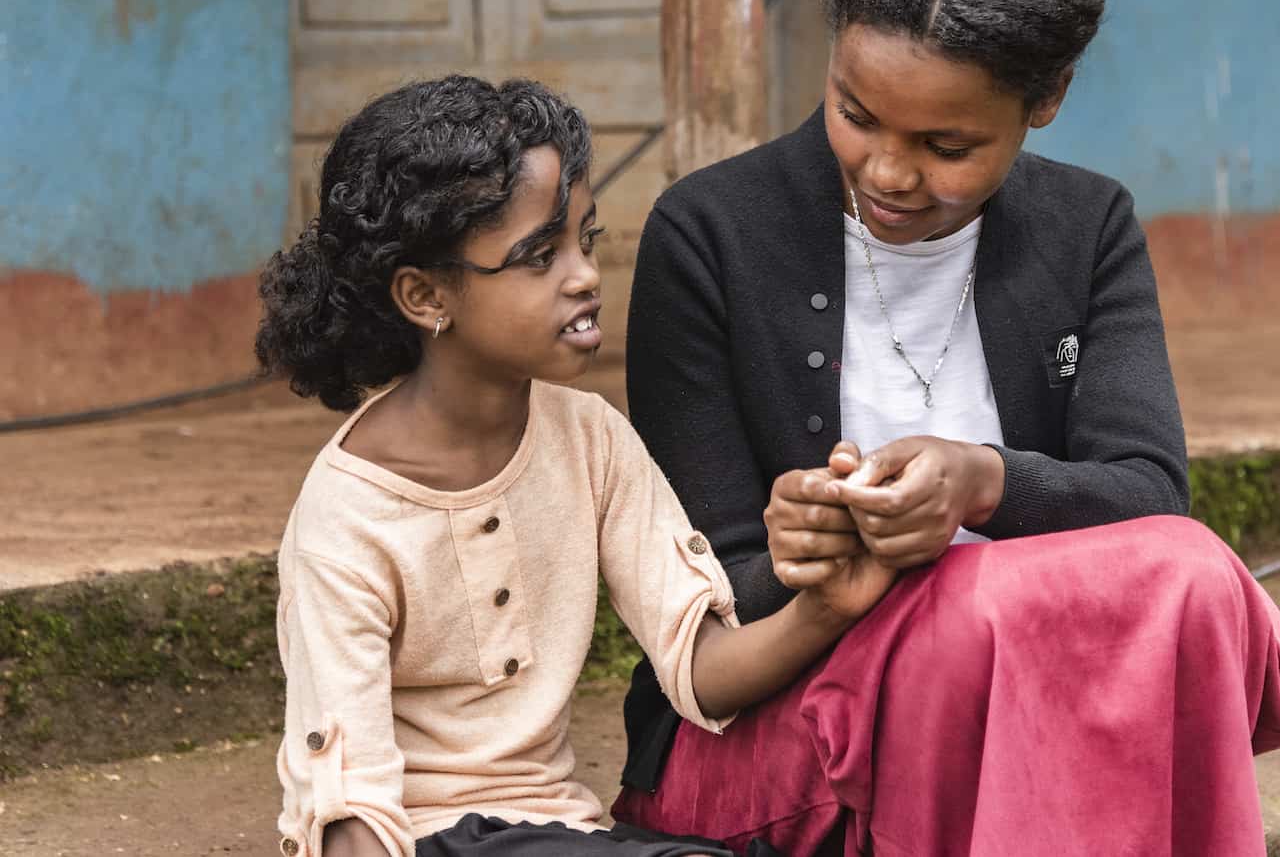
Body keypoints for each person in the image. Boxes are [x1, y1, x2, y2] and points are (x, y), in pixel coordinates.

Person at [611, 0, 1280, 854]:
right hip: (775, 720)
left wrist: (985, 481)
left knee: (1197, 574)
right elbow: (706, 602)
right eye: (855, 111)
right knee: (974, 614)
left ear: (1048, 96)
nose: (887, 171)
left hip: (1023, 681)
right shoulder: (708, 235)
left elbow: (1150, 498)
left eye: (944, 146)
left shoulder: (1087, 226)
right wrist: (807, 550)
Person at [255, 76, 897, 857]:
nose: (584, 275)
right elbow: (348, 811)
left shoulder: (590, 437)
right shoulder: (346, 516)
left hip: (564, 832)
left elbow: (696, 665)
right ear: (426, 296)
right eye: (537, 256)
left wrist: (824, 607)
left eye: (585, 238)